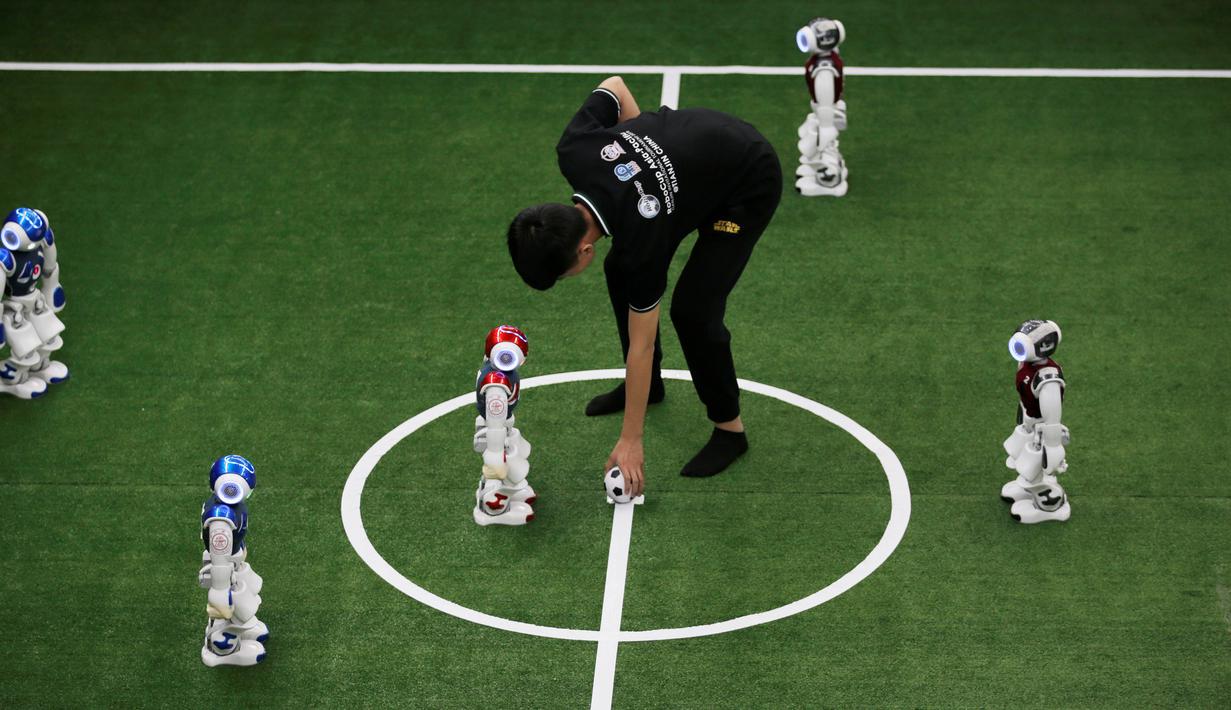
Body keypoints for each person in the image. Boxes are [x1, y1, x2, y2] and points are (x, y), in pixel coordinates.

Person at [507, 76, 783, 499]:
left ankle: (730, 430)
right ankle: (649, 387)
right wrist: (645, 159)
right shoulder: (574, 150)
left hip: (746, 180)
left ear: (582, 251)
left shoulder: (642, 243)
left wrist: (630, 440)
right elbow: (614, 87)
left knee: (694, 311)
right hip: (695, 163)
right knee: (620, 270)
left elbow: (643, 344)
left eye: (562, 276)